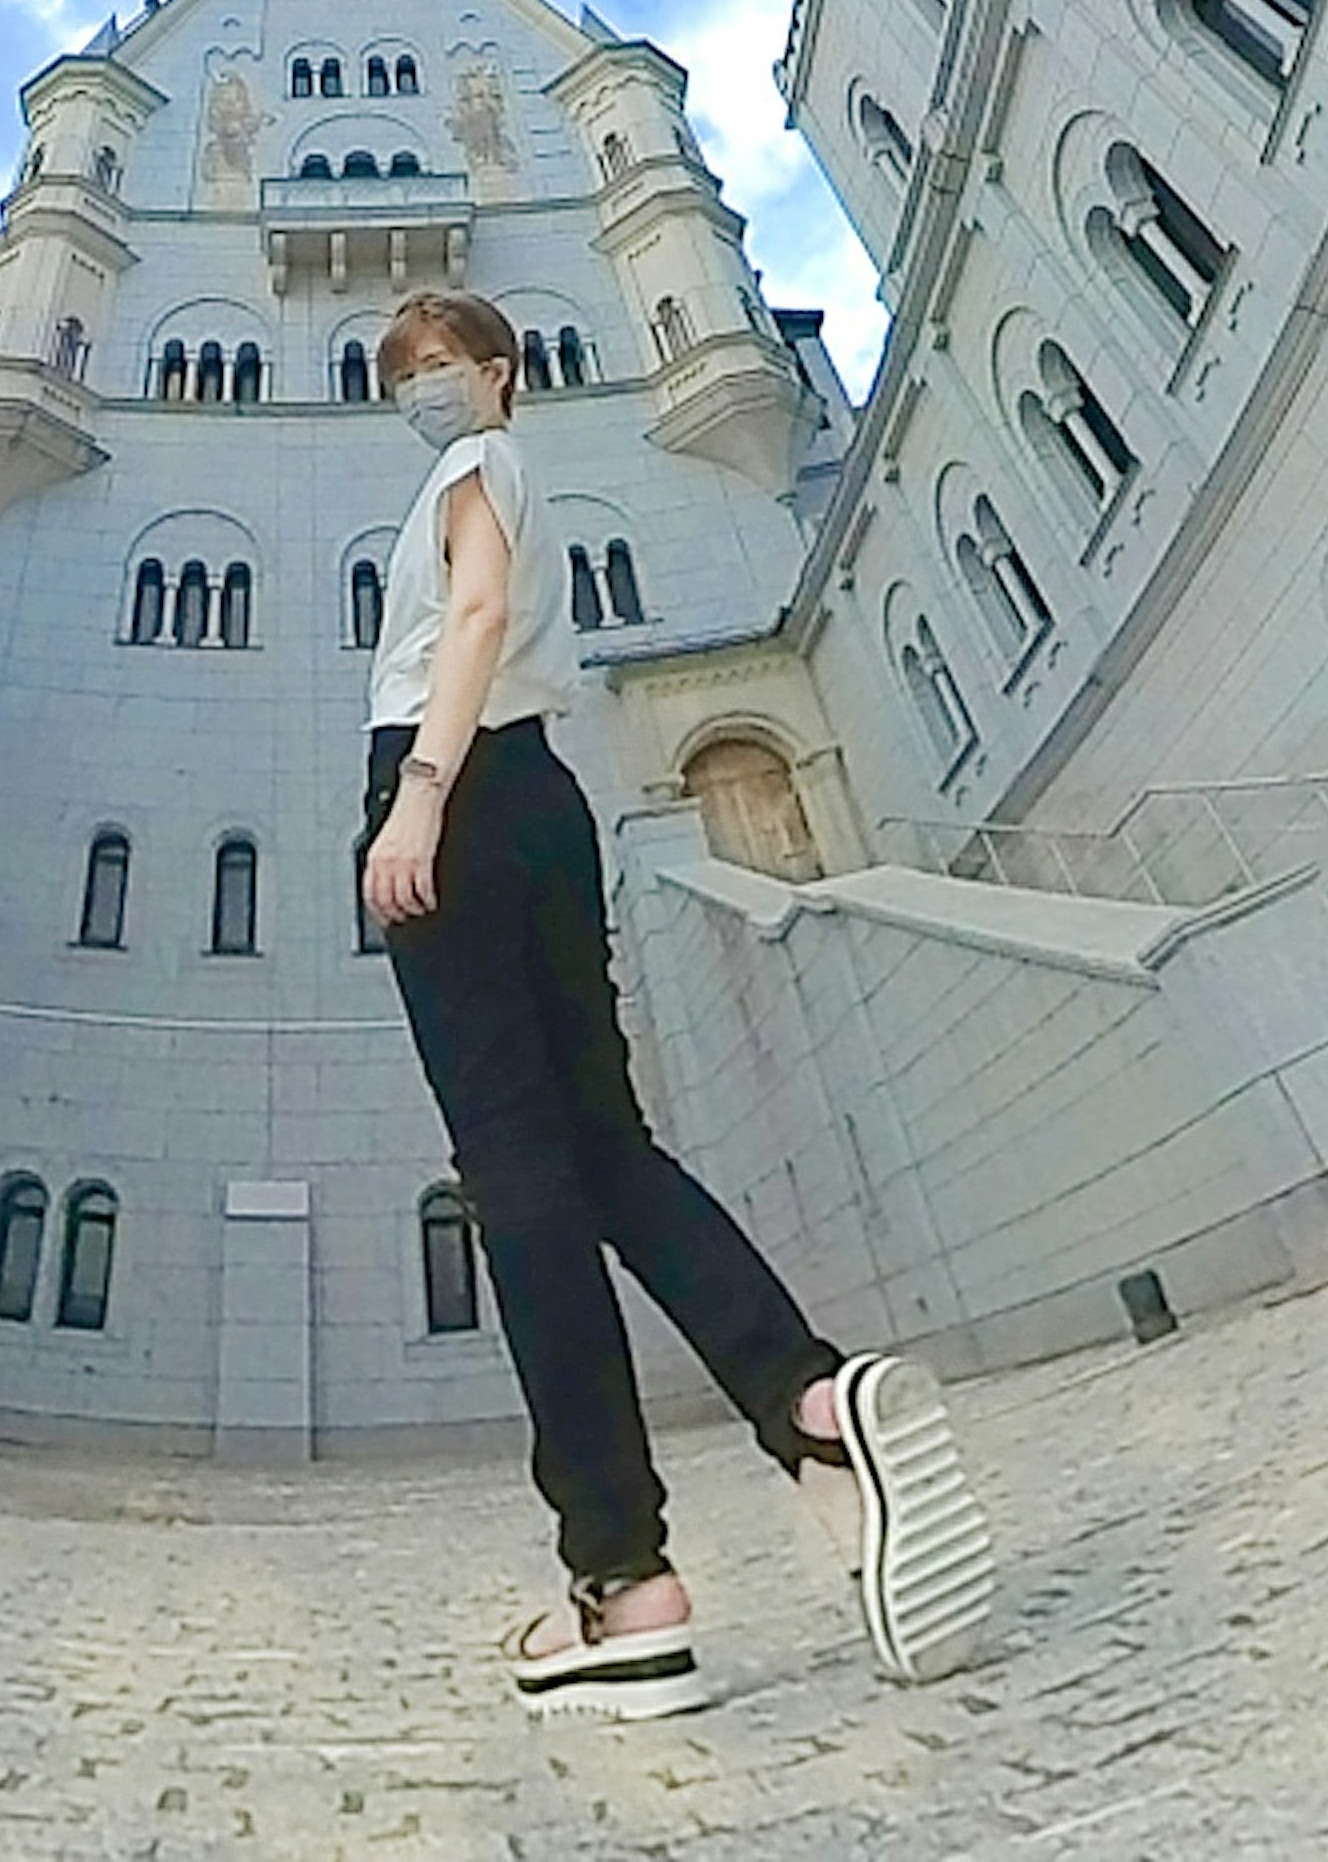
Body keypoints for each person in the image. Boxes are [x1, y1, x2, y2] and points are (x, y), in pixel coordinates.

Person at [357, 287, 987, 1709]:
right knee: (607, 1151)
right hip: (545, 803)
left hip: (458, 786)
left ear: (499, 372)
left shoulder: (475, 468)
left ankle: (621, 1581)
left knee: (516, 1183)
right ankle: (813, 1408)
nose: (418, 390)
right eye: (400, 374)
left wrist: (416, 799)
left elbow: (473, 615)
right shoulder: (517, 477)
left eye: (439, 364)